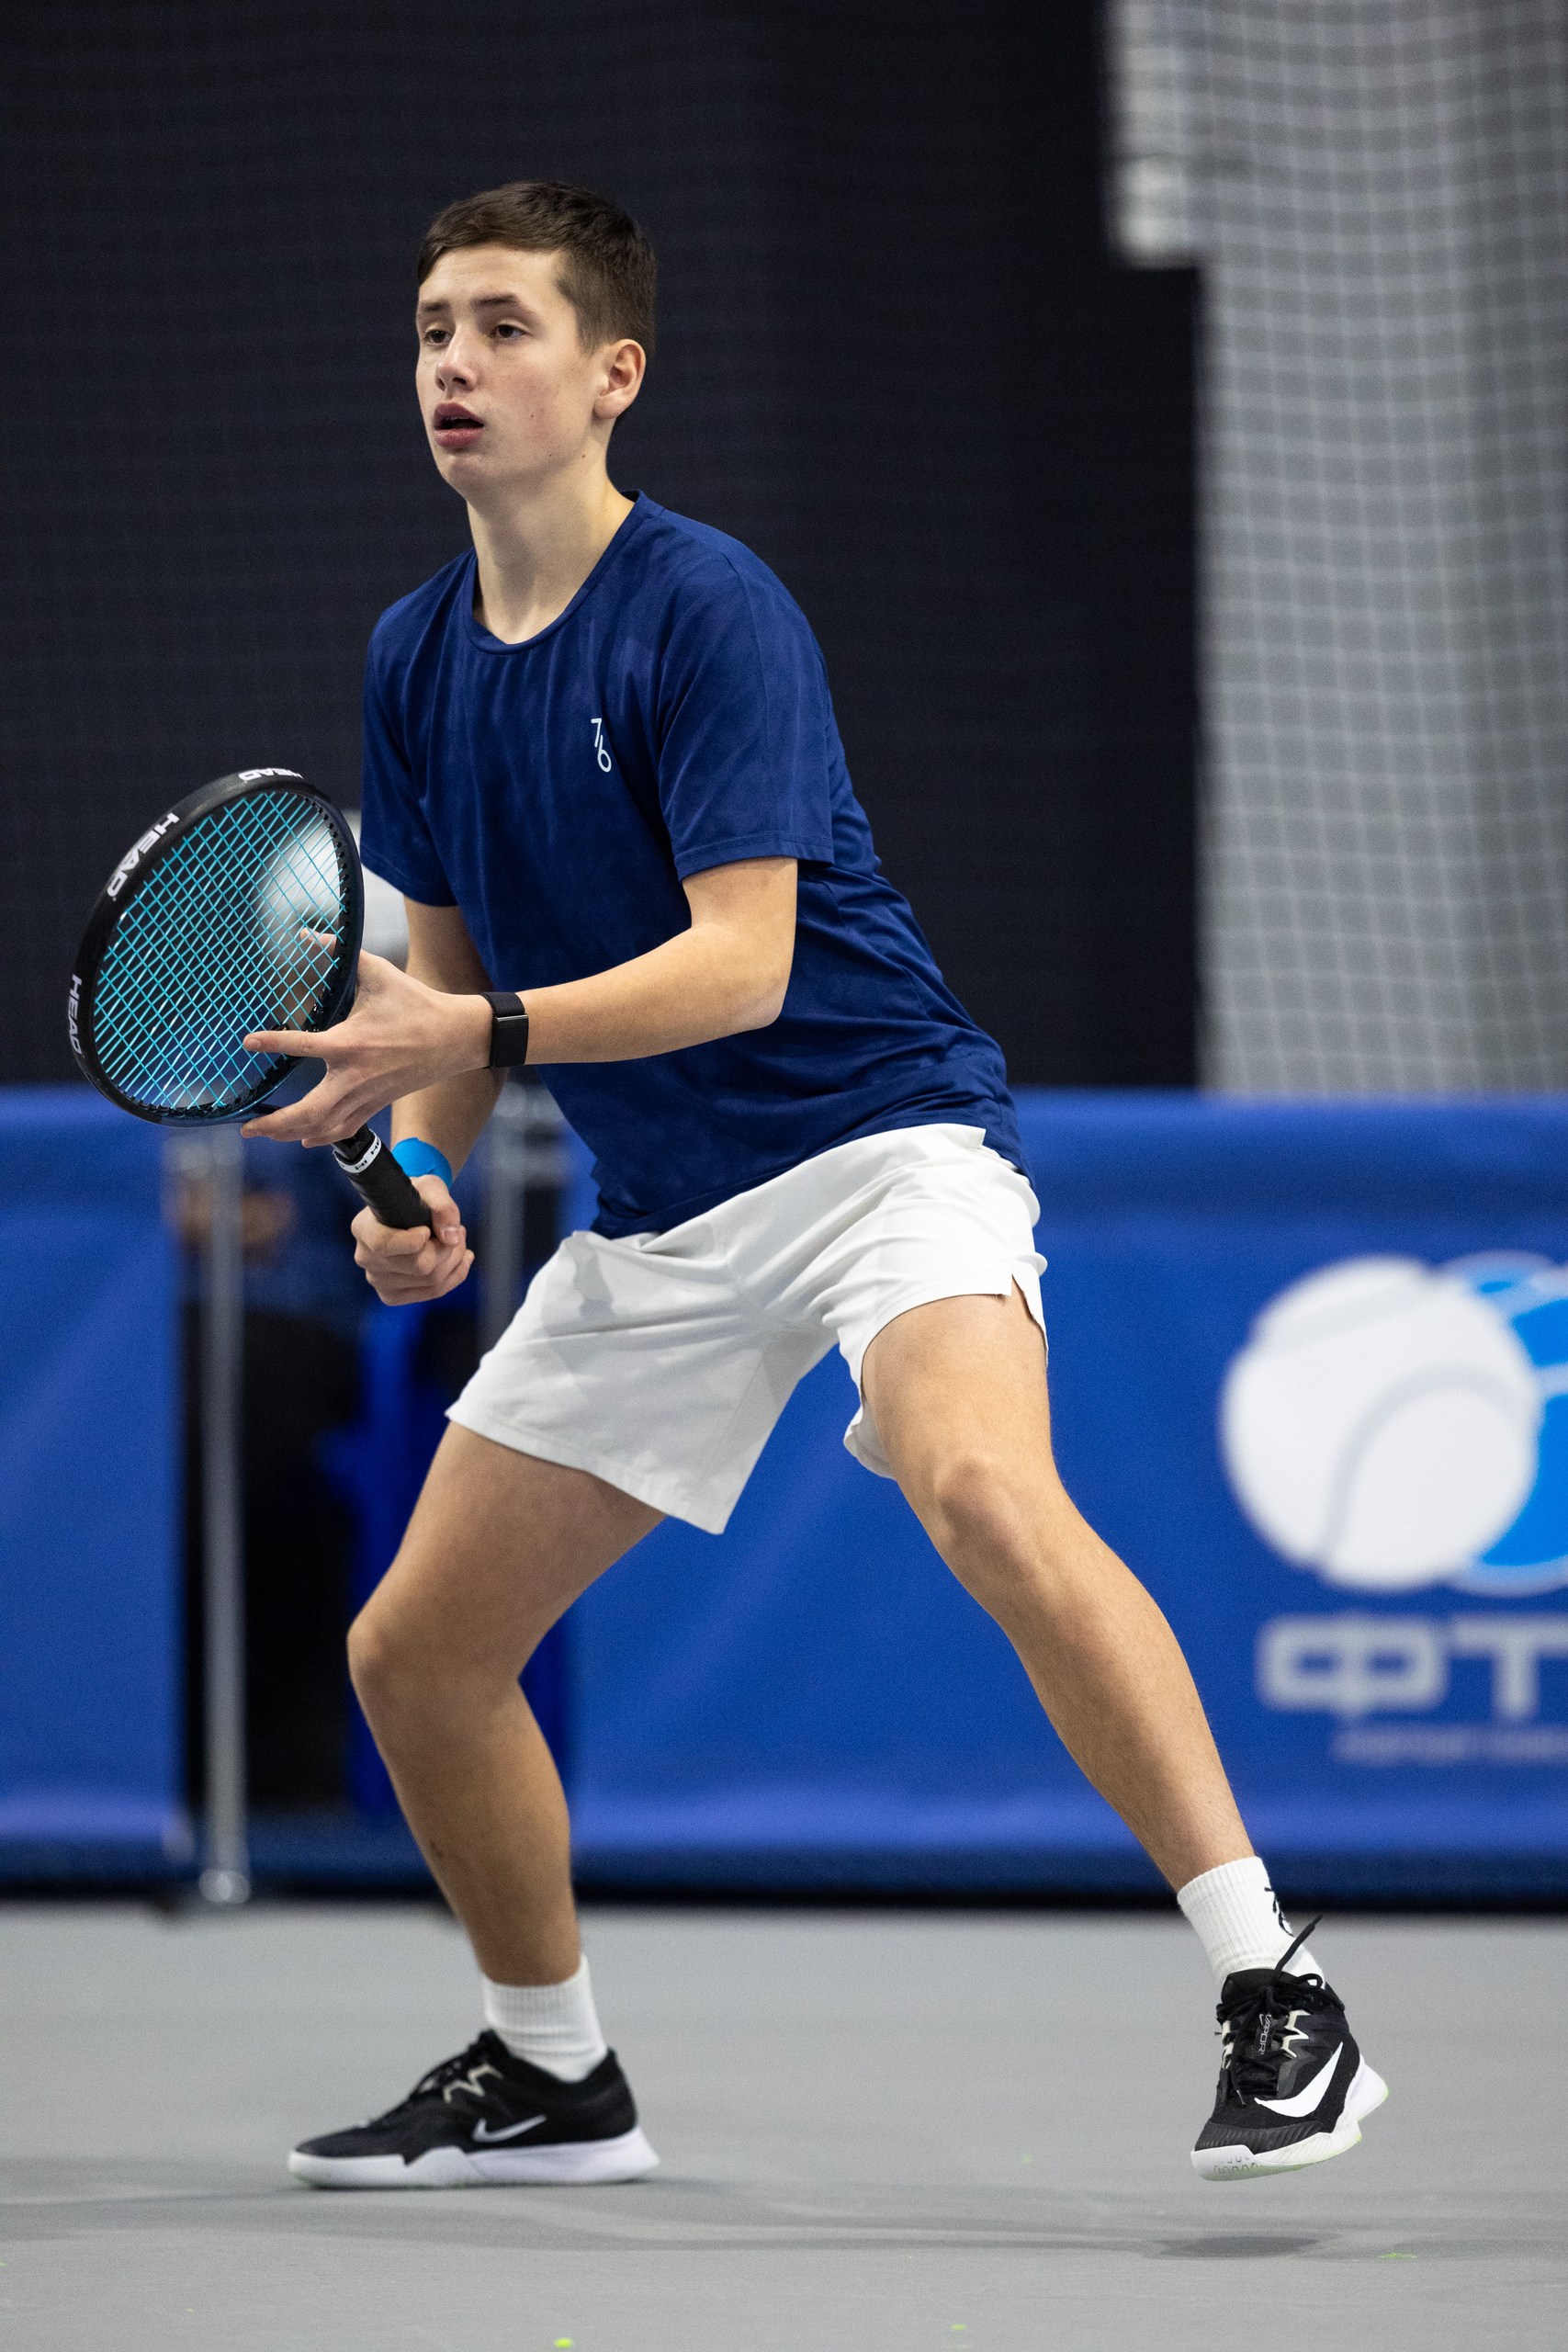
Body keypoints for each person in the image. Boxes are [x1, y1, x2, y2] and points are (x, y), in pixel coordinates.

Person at [246, 179, 1386, 2188]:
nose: (454, 365)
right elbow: (438, 996)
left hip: (878, 1143)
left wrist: (467, 1039)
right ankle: (553, 2072)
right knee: (414, 1652)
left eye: (504, 327)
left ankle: (1275, 1986)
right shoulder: (414, 655)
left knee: (979, 1485)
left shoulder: (708, 607)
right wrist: (410, 1171)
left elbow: (741, 965)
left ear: (615, 372)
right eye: (432, 329)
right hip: (664, 1213)